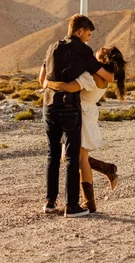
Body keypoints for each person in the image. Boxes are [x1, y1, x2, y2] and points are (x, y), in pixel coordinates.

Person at [39, 14, 114, 218]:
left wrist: (52, 85)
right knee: (72, 157)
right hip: (69, 108)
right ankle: (72, 206)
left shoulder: (52, 47)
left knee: (53, 154)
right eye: (88, 34)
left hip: (48, 106)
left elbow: (42, 80)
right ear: (80, 31)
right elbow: (107, 76)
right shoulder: (82, 50)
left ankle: (50, 202)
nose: (89, 38)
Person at [44, 46, 127, 213]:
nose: (101, 47)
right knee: (68, 157)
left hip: (81, 115)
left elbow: (70, 87)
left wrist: (49, 83)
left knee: (80, 159)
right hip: (84, 113)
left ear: (104, 59)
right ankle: (107, 169)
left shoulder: (92, 76)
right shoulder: (103, 75)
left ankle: (89, 202)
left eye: (105, 49)